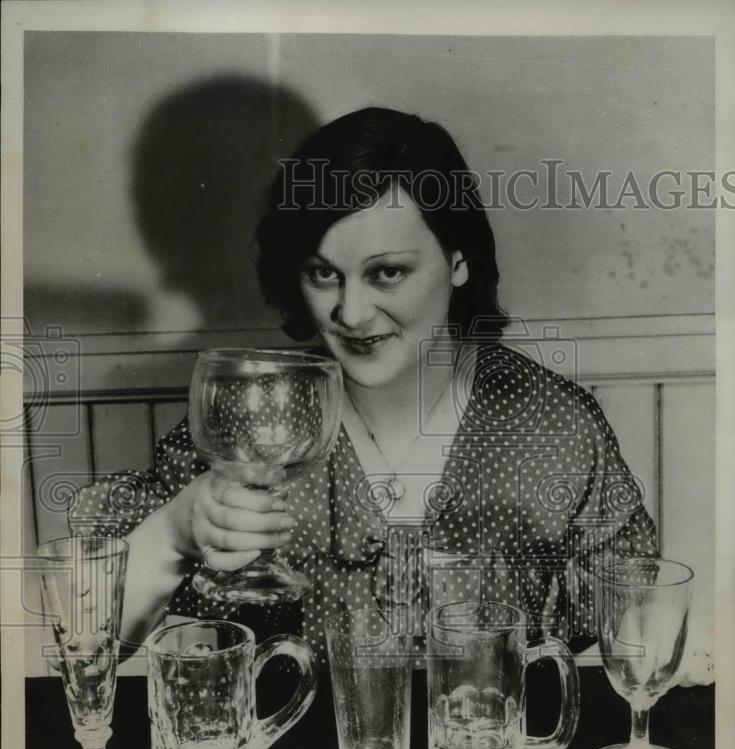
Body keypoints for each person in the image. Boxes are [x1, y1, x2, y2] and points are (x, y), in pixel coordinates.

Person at [69, 106, 657, 665]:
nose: (351, 314)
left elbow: (634, 641)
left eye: (387, 273)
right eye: (324, 273)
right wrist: (174, 531)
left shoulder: (555, 425)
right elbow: (88, 646)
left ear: (458, 259)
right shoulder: (252, 415)